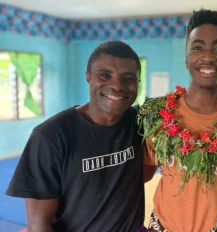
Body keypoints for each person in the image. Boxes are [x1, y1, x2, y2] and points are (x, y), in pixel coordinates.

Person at [6, 41, 147, 232]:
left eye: (128, 78)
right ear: (88, 77)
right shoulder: (50, 137)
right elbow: (39, 224)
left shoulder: (140, 123)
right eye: (105, 75)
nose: (117, 85)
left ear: (137, 82)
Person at [139, 9, 217, 232]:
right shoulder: (159, 115)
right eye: (197, 47)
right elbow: (142, 174)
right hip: (163, 226)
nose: (208, 56)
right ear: (186, 58)